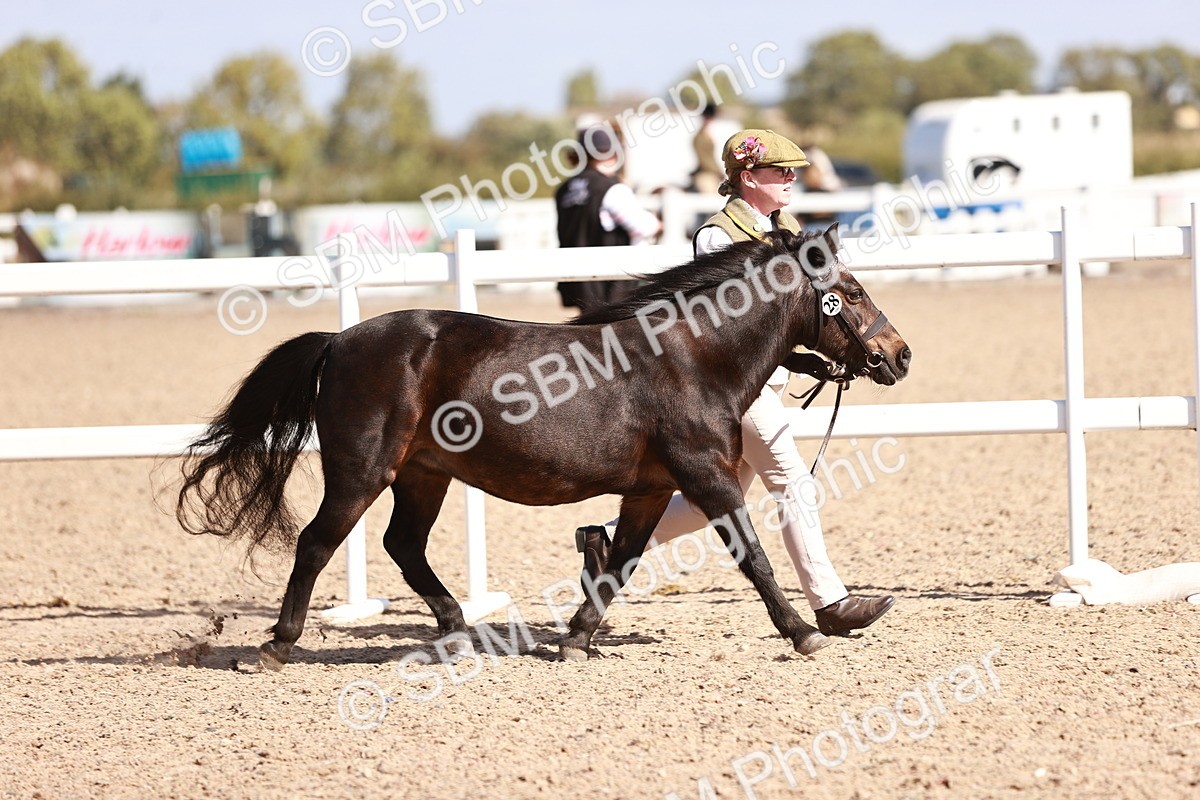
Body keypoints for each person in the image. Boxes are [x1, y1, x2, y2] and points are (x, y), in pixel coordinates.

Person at [575, 129, 895, 638]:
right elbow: (723, 330)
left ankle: (607, 541)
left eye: (792, 171)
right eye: (780, 172)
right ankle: (829, 602)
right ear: (748, 178)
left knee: (709, 504)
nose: (791, 179)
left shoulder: (786, 228)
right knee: (792, 480)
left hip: (762, 383)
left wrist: (814, 359)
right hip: (726, 389)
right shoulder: (718, 237)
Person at [555, 125, 662, 314]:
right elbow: (643, 227)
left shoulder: (564, 190)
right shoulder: (612, 188)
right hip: (610, 288)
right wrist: (657, 223)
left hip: (578, 285)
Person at [689, 103, 723, 195]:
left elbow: (711, 157)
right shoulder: (699, 137)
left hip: (712, 173)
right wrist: (718, 172)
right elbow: (704, 160)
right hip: (705, 174)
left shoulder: (708, 135)